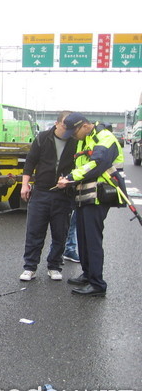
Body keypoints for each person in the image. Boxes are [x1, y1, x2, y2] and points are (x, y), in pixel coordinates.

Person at [56, 113, 125, 296]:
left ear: (85, 125)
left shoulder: (105, 138)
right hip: (84, 195)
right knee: (84, 237)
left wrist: (70, 178)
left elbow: (97, 164)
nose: (72, 136)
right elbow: (80, 164)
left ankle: (97, 284)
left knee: (93, 240)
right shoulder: (84, 139)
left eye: (74, 132)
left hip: (99, 196)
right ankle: (88, 274)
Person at [19, 111, 77, 281]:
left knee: (60, 232)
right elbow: (30, 162)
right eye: (66, 126)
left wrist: (69, 180)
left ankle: (54, 266)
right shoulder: (43, 138)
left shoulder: (75, 142)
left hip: (64, 193)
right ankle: (30, 267)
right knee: (34, 231)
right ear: (57, 123)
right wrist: (25, 185)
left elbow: (79, 167)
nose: (69, 131)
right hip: (41, 191)